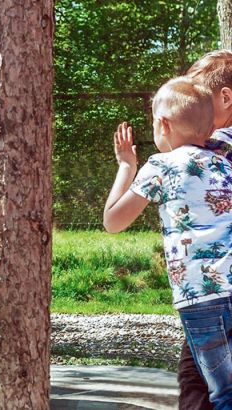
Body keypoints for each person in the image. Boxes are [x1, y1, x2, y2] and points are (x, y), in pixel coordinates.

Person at [104, 76, 232, 409]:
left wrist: (125, 166)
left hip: (203, 297)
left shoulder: (162, 165)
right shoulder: (225, 163)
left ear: (163, 124)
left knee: (223, 392)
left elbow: (113, 221)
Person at [180, 49, 232, 410]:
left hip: (213, 292)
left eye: (197, 99)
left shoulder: (215, 147)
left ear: (225, 98)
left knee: (196, 379)